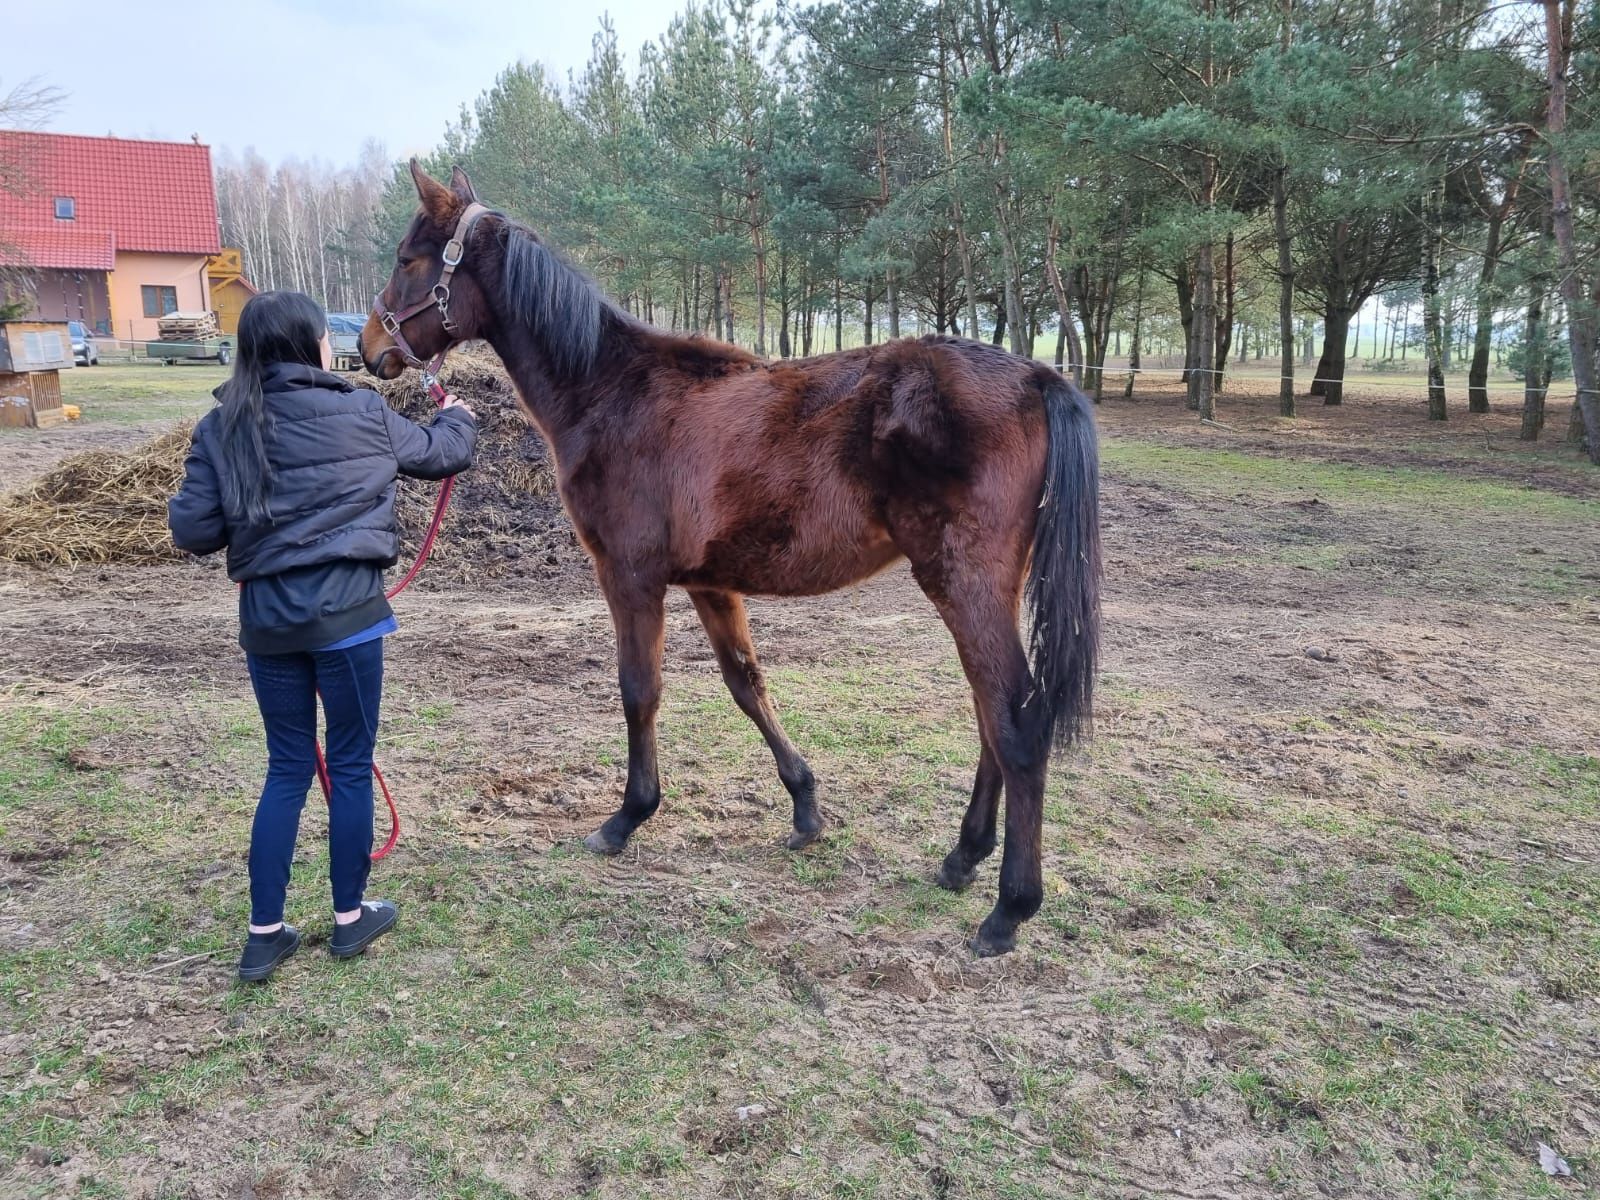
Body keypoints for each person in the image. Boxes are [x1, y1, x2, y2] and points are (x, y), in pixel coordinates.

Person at [168, 291, 477, 982]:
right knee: (347, 763)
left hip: (270, 627)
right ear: (313, 346)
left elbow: (192, 531)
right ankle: (348, 919)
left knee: (285, 770)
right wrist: (458, 417)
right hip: (350, 621)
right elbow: (439, 452)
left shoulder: (221, 428)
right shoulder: (363, 410)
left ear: (247, 351)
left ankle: (264, 935)